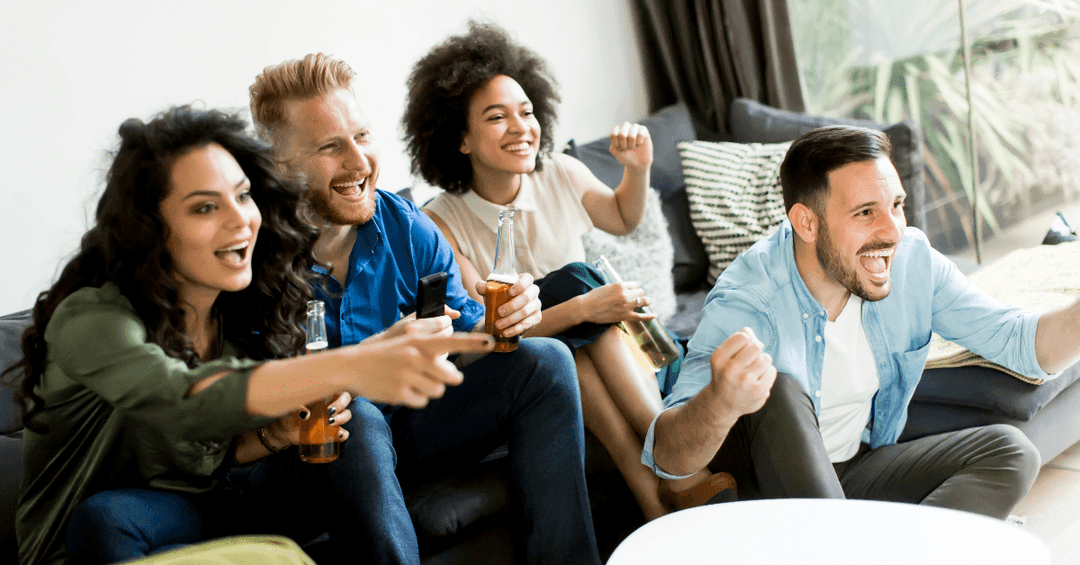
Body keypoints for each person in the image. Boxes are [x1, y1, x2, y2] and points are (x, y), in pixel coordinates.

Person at [8, 106, 493, 565]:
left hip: (215, 508)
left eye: (243, 196)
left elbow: (219, 456)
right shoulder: (92, 320)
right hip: (106, 535)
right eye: (204, 208)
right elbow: (181, 400)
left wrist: (273, 434)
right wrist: (355, 361)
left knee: (354, 420)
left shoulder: (236, 311)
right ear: (149, 228)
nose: (241, 219)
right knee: (107, 514)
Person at [249, 53, 601, 565]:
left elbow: (468, 334)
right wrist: (365, 364)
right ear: (278, 168)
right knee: (357, 420)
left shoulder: (404, 225)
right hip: (305, 459)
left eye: (363, 137)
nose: (359, 161)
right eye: (330, 147)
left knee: (544, 362)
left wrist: (501, 323)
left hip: (408, 429)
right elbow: (249, 409)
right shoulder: (250, 260)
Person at [646, 124, 1080, 519]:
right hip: (767, 501)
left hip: (854, 469)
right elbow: (669, 458)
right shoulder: (750, 300)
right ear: (806, 222)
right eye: (865, 213)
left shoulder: (911, 261)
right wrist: (722, 400)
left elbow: (1019, 341)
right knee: (778, 390)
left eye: (896, 205)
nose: (892, 230)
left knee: (1010, 452)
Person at [401, 21, 731, 521]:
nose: (520, 127)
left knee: (573, 332)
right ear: (460, 138)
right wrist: (584, 306)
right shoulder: (439, 223)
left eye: (526, 111)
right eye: (496, 117)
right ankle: (674, 468)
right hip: (537, 370)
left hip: (635, 348)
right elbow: (487, 328)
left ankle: (656, 496)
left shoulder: (560, 172)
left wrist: (636, 169)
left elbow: (622, 217)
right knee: (573, 298)